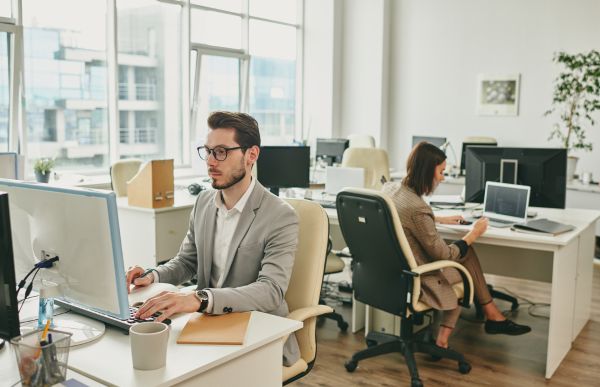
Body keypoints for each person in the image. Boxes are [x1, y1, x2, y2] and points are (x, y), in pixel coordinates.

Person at [125, 111, 300, 366]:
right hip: (208, 324)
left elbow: (271, 291)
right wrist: (152, 276)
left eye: (221, 152)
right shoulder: (204, 202)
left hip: (257, 332)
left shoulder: (280, 215)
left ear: (251, 155)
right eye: (207, 151)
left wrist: (199, 298)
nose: (210, 161)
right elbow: (186, 262)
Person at [382, 141, 531, 350]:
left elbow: (403, 218)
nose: (443, 178)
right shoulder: (418, 208)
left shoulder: (391, 189)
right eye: (441, 172)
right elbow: (444, 255)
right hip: (417, 276)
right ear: (427, 172)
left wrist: (438, 219)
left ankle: (490, 316)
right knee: (465, 259)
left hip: (389, 272)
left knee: (464, 254)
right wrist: (473, 234)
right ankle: (450, 336)